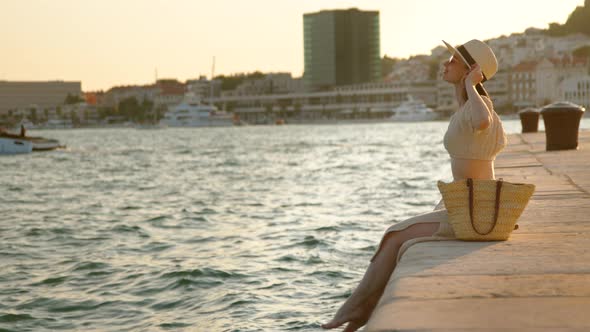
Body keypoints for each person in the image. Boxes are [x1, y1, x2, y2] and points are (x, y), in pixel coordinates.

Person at [321, 39, 508, 332]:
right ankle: (360, 312)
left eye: (453, 61)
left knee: (394, 235)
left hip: (477, 213)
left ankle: (354, 309)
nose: (445, 65)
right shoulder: (466, 108)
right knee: (402, 241)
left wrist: (472, 85)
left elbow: (483, 121)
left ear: (471, 70)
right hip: (471, 206)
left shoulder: (479, 105)